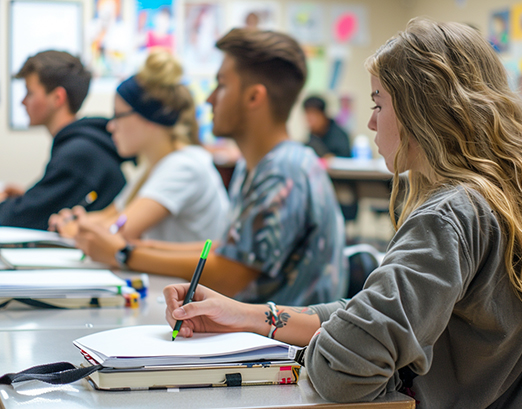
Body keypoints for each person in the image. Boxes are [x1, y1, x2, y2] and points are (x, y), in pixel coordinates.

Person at [162, 19, 522, 408]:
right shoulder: (509, 202)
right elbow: (367, 314)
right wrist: (249, 317)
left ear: (423, 112)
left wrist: (342, 342)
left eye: (378, 104)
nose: (369, 122)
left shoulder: (449, 216)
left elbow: (343, 372)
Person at [73, 29, 347, 306]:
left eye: (221, 85)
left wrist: (124, 254)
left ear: (254, 98)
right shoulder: (253, 166)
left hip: (278, 347)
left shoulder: (283, 171)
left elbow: (228, 275)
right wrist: (143, 247)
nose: (209, 99)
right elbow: (227, 251)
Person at [49, 48, 229, 245]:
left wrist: (77, 229)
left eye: (119, 116)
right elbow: (113, 215)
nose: (111, 125)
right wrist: (75, 221)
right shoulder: (154, 166)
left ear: (149, 118)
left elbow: (118, 231)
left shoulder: (184, 166)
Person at [0, 50, 126, 231]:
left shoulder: (78, 154)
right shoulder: (83, 144)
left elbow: (24, 217)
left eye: (30, 93)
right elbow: (48, 202)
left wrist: (5, 203)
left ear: (58, 98)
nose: (22, 102)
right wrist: (27, 197)